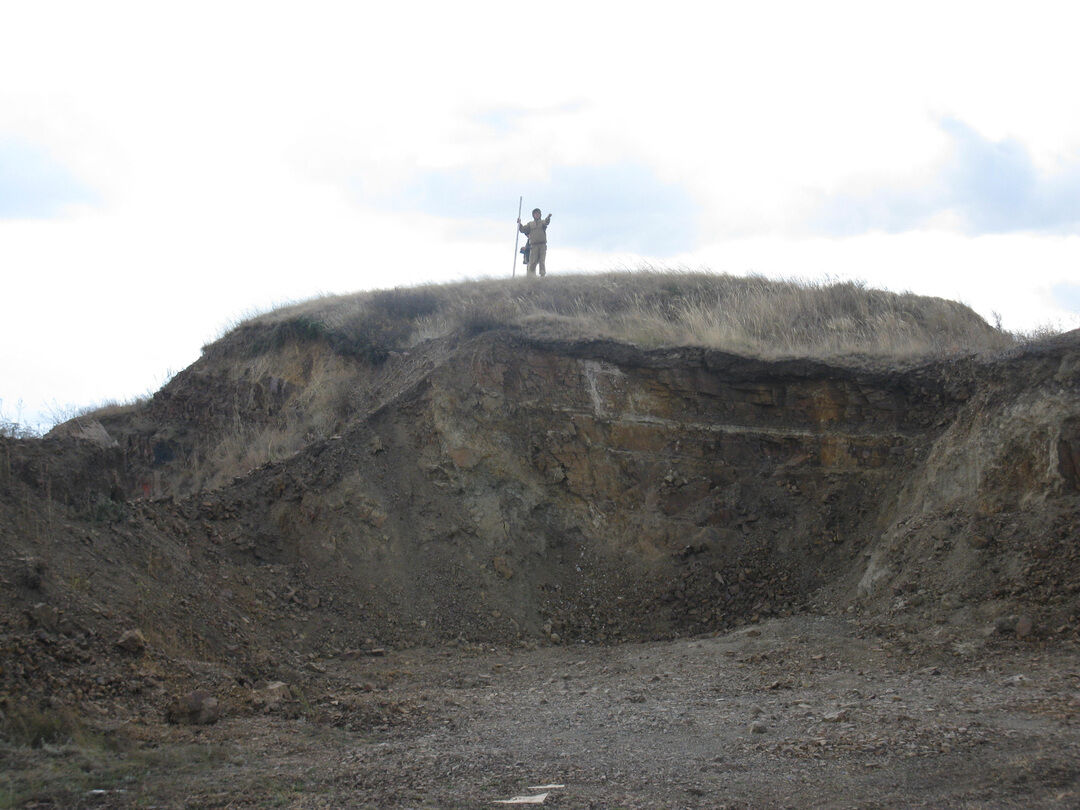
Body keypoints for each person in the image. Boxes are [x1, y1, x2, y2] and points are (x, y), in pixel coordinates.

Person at [517, 208, 552, 277]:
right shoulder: (530, 224)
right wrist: (519, 224)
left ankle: (542, 274)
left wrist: (548, 217)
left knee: (542, 261)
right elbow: (523, 229)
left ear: (540, 215)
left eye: (538, 213)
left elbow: (546, 222)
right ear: (533, 215)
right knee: (533, 261)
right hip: (533, 246)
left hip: (542, 245)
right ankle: (531, 276)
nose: (537, 215)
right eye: (535, 214)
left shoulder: (542, 222)